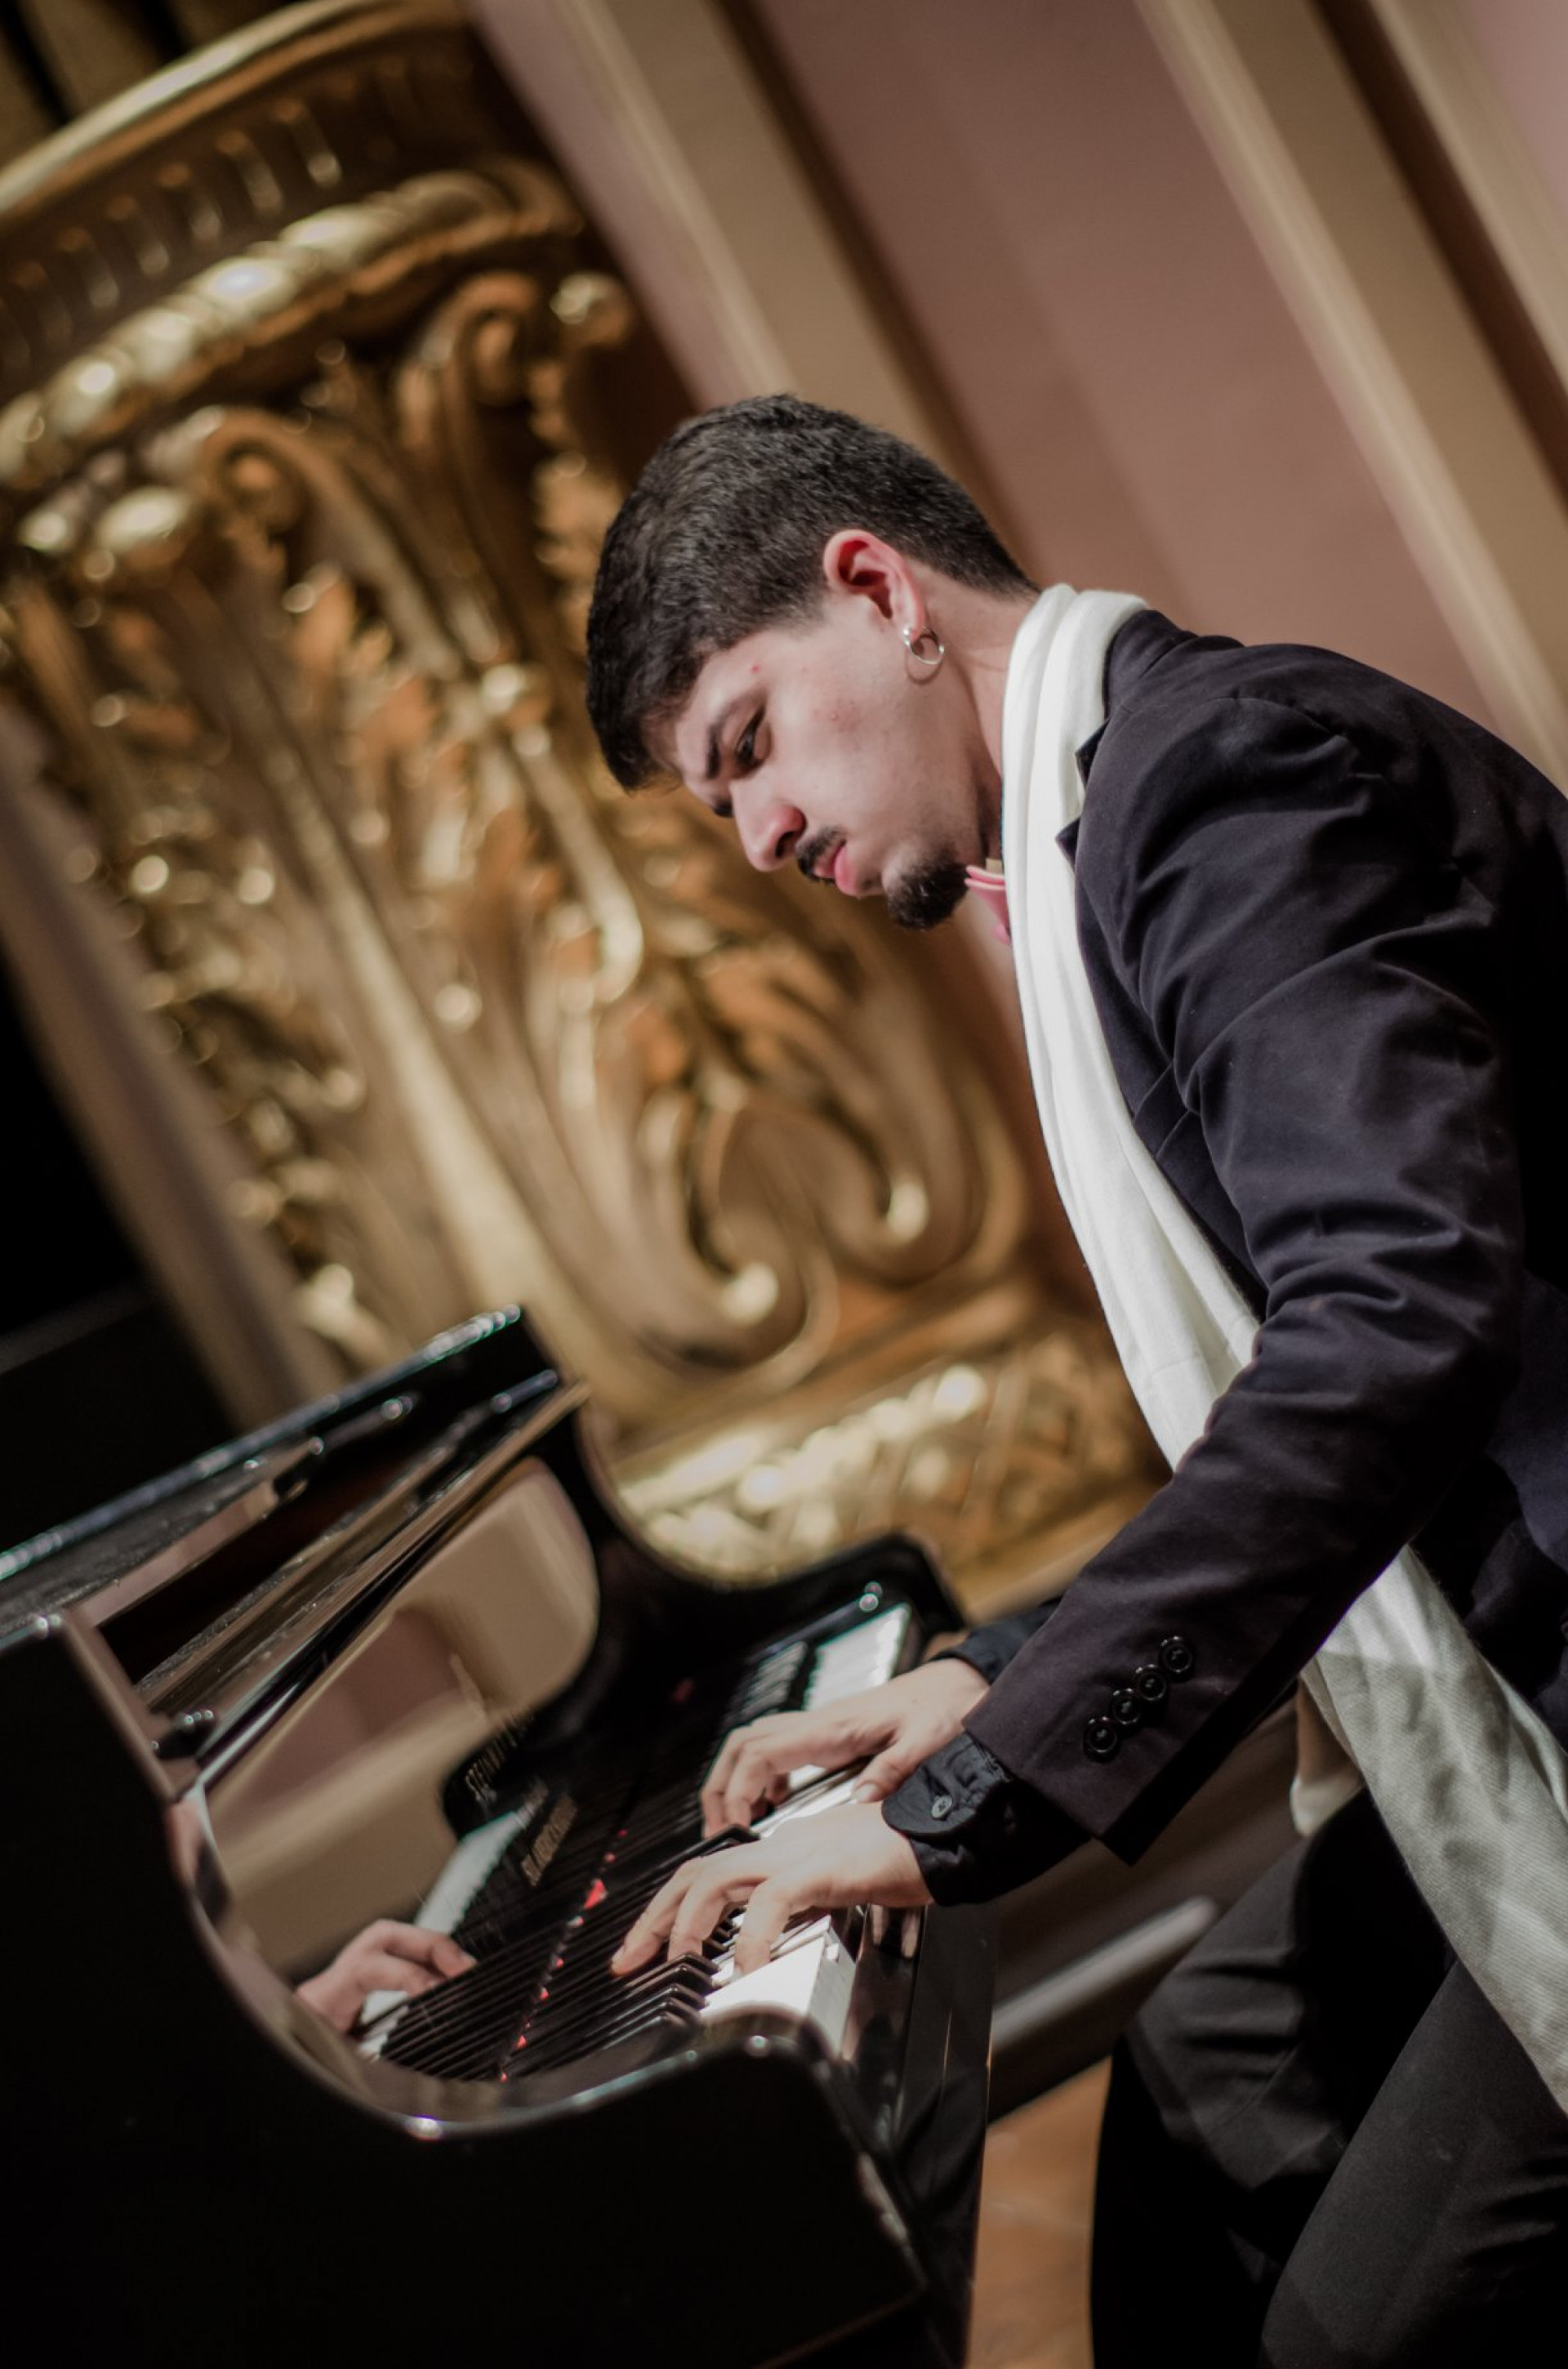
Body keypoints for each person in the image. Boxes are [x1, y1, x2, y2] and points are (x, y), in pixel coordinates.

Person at [584, 395, 1568, 2364]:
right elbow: (1291, 1397)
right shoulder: (1121, 811)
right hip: (1514, 1604)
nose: (766, 838)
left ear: (879, 590)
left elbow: (1392, 1323)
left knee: (1358, 2332)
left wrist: (968, 1798)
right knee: (1208, 2073)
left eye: (749, 747)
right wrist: (988, 1672)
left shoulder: (1224, 786)